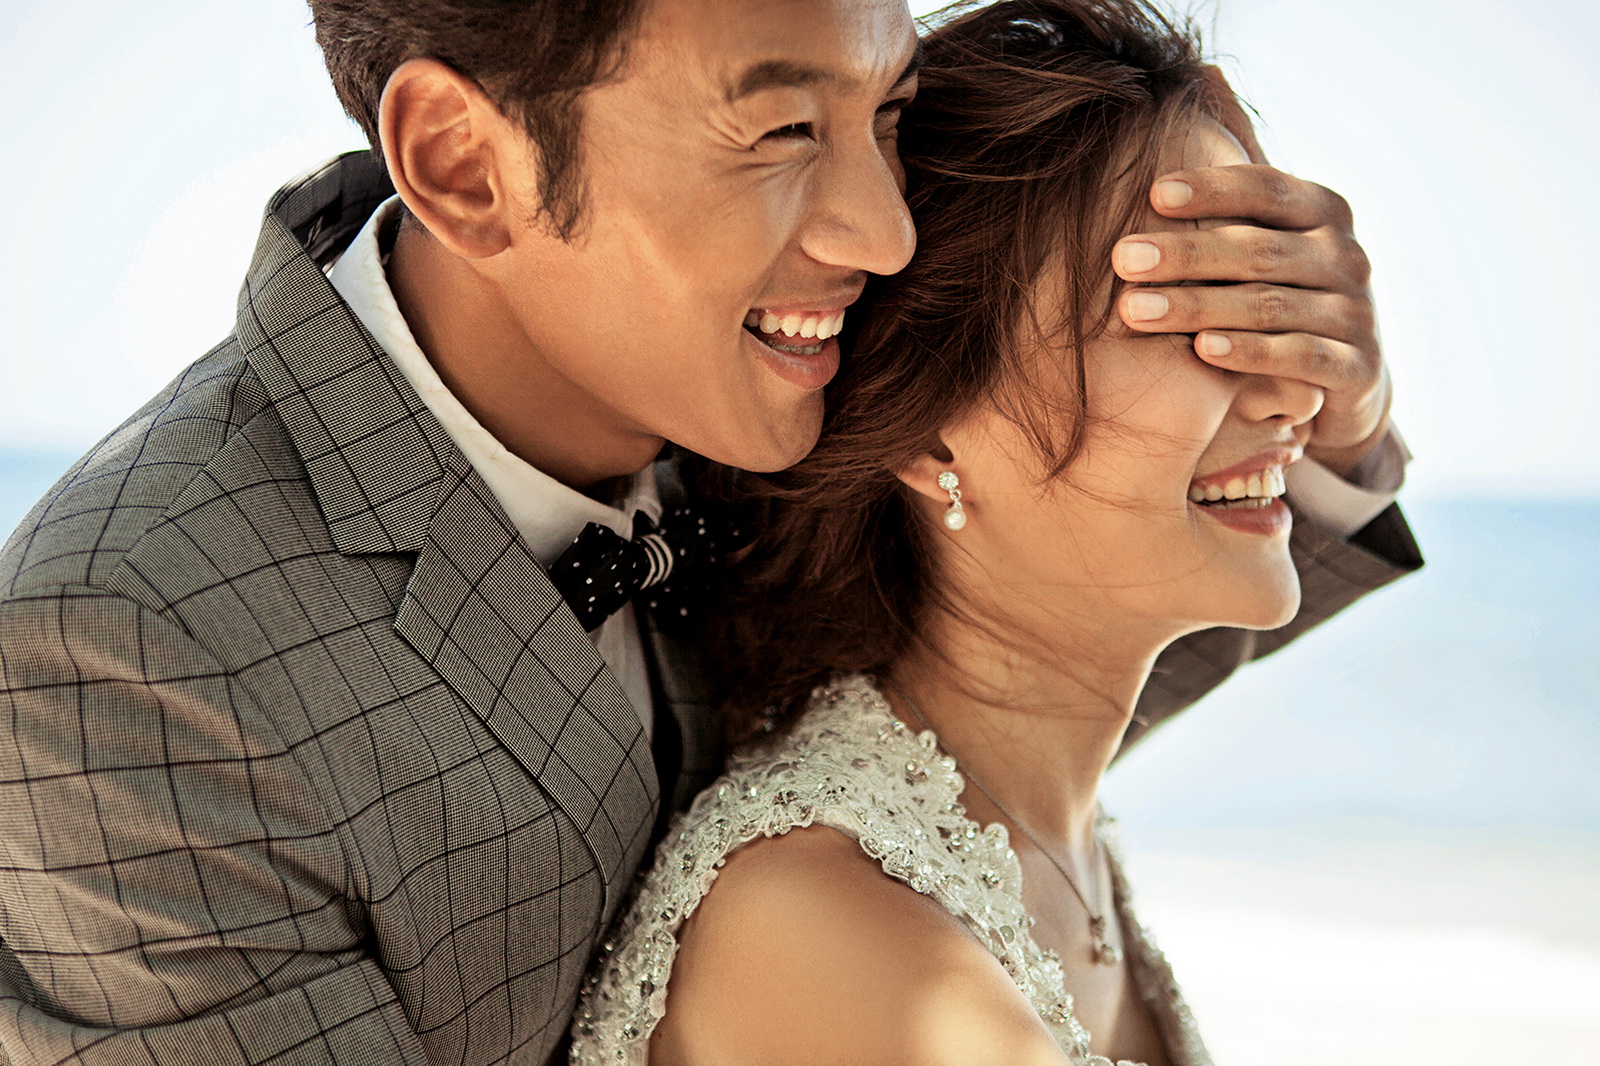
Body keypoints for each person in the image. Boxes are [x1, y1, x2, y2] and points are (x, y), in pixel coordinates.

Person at [0, 1, 1414, 1064]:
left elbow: (1012, 663)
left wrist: (1330, 410)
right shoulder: (135, 648)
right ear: (465, 163)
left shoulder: (758, 382)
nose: (887, 235)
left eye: (889, 113)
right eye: (785, 131)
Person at [569, 1, 1421, 1063]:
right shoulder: (836, 930)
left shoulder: (1036, 827)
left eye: (1270, 309)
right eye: (1193, 321)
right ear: (932, 434)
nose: (1293, 395)